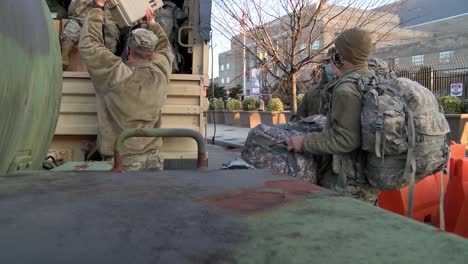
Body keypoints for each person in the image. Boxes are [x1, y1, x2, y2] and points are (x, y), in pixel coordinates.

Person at [79, 0, 174, 170]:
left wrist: (98, 7)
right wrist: (152, 24)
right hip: (153, 162)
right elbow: (166, 50)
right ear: (152, 55)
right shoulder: (160, 74)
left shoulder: (115, 73)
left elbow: (90, 44)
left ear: (128, 50)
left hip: (119, 163)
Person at [287, 28, 379, 201]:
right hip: (367, 177)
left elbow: (345, 139)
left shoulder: (346, 89)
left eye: (337, 50)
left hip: (345, 183)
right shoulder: (373, 80)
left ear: (344, 54)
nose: (335, 54)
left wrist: (304, 142)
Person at [61, 0, 119, 70]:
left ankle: (107, 65)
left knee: (111, 35)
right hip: (82, 18)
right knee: (71, 28)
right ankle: (64, 55)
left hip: (105, 21)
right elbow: (72, 11)